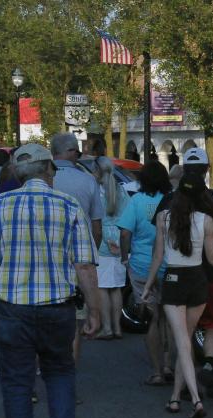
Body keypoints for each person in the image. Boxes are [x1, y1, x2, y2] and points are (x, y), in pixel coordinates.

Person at [0, 143, 100, 418]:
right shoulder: (69, 206)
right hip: (58, 308)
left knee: (16, 384)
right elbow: (84, 265)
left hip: (13, 310)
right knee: (60, 375)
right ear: (48, 170)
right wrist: (95, 310)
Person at [143, 174, 213, 418]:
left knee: (183, 342)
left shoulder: (164, 218)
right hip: (198, 282)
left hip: (174, 282)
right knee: (187, 339)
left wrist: (147, 285)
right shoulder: (206, 220)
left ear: (178, 193)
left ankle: (195, 400)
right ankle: (175, 397)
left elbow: (158, 256)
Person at [50, 133, 104, 366]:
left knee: (40, 323)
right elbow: (96, 226)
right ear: (71, 152)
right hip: (75, 259)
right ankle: (66, 374)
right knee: (73, 321)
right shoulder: (87, 180)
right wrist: (92, 254)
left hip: (44, 258)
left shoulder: (43, 179)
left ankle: (36, 377)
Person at [119, 160, 174, 386]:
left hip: (142, 265)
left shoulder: (136, 202)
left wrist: (125, 258)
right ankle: (170, 364)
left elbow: (125, 234)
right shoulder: (171, 200)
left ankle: (157, 371)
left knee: (152, 317)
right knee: (171, 319)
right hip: (170, 265)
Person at [94, 156, 128, 339]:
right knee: (116, 289)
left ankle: (107, 328)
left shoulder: (97, 191)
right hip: (120, 239)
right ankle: (117, 327)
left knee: (102, 288)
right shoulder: (120, 190)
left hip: (103, 242)